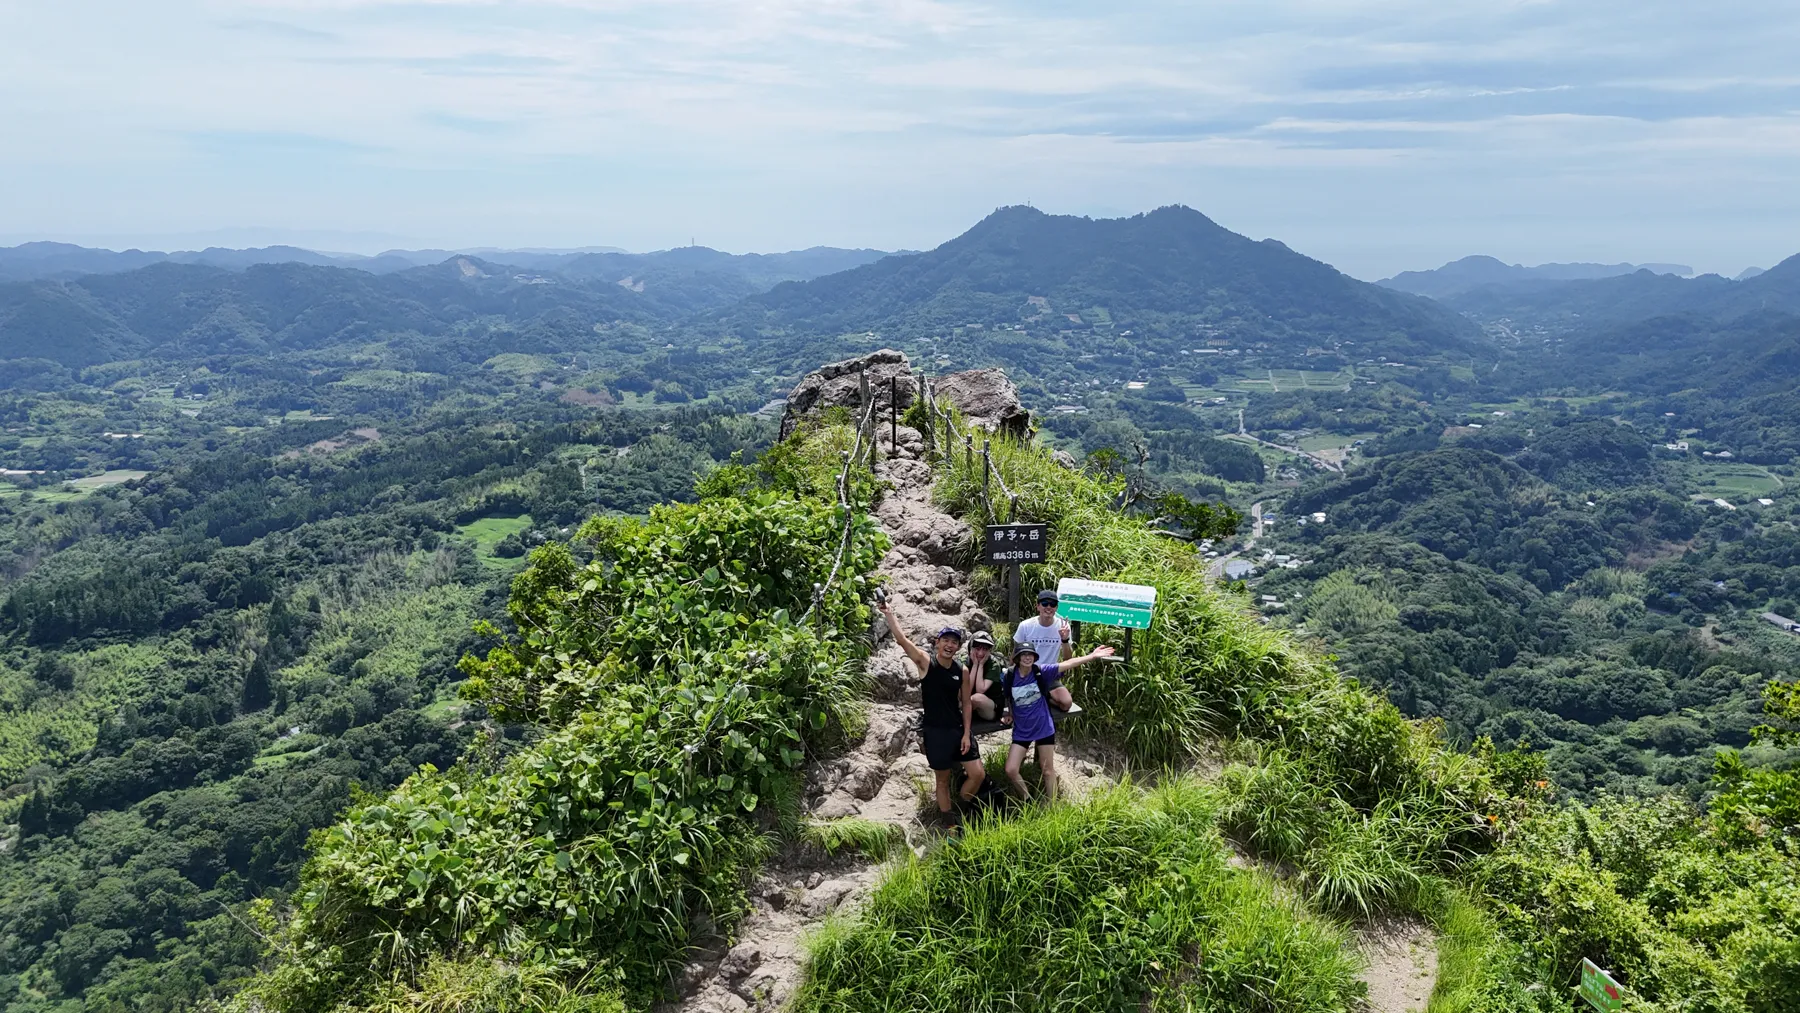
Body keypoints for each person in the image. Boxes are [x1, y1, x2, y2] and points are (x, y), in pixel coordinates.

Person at [878, 597, 985, 823]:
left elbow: (966, 703)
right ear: (938, 643)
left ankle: (961, 804)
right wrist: (888, 613)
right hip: (935, 731)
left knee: (977, 774)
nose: (949, 645)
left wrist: (966, 733)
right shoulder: (926, 662)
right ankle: (949, 820)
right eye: (945, 640)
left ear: (958, 647)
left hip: (957, 730)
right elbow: (902, 640)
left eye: (954, 642)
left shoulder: (962, 670)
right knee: (942, 779)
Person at [1000, 641, 1113, 804]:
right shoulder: (1010, 675)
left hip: (1043, 727)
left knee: (1047, 771)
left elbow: (1068, 663)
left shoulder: (1040, 671)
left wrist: (1092, 656)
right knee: (1011, 769)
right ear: (1017, 657)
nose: (1027, 657)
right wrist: (1009, 713)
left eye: (1030, 654)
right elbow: (1008, 697)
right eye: (1024, 654)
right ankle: (1027, 800)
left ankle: (1051, 806)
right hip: (1022, 730)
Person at [1011, 589, 1073, 667]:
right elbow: (1015, 652)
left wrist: (1065, 640)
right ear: (1038, 606)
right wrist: (1009, 673)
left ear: (1056, 608)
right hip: (1028, 672)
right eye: (1045, 604)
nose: (1049, 607)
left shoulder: (1063, 626)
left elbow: (1068, 659)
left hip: (1050, 672)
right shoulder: (1025, 625)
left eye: (1052, 604)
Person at [965, 630, 1004, 721]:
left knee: (976, 698)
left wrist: (980, 665)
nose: (980, 653)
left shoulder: (994, 664)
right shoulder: (964, 661)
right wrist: (974, 665)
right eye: (977, 649)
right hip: (970, 706)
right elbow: (966, 689)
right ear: (971, 648)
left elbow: (980, 689)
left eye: (985, 649)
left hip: (990, 708)